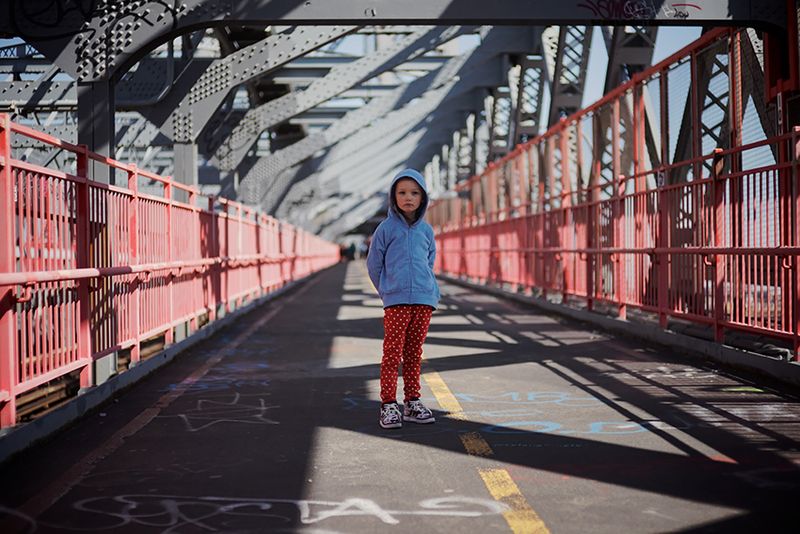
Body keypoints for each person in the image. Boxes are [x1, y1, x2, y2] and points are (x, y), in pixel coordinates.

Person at [367, 168, 440, 429]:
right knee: (392, 353)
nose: (408, 197)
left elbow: (429, 262)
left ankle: (412, 402)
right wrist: (387, 291)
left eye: (414, 192)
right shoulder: (385, 229)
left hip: (423, 300)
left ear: (423, 198)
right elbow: (374, 264)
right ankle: (388, 404)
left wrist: (429, 290)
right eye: (402, 192)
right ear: (393, 197)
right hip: (396, 301)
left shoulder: (427, 231)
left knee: (413, 353)